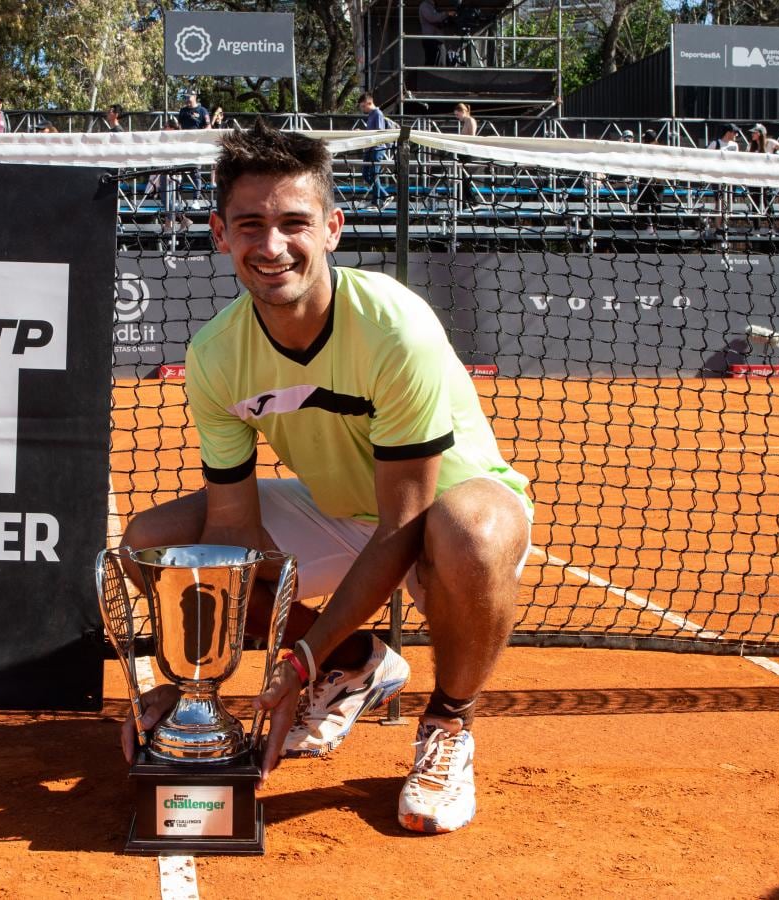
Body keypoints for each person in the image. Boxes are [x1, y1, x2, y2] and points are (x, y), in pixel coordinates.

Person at [120, 121, 532, 835]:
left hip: (443, 510)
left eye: (294, 223)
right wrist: (201, 689)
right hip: (343, 510)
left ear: (334, 228)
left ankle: (449, 724)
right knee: (154, 545)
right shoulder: (217, 355)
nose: (272, 245)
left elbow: (404, 523)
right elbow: (231, 532)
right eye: (250, 224)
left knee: (468, 533)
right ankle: (357, 661)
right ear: (221, 233)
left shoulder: (393, 327)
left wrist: (296, 660)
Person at [357, 92, 392, 205]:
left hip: (377, 148)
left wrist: (363, 133)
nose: (362, 109)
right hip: (370, 148)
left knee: (373, 174)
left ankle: (375, 202)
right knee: (366, 174)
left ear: (369, 103)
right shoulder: (372, 115)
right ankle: (385, 195)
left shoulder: (377, 114)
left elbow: (379, 131)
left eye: (363, 106)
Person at [705, 125, 740, 236]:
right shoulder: (716, 143)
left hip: (730, 177)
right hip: (718, 177)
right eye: (735, 132)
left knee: (728, 201)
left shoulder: (735, 145)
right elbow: (704, 156)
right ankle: (718, 226)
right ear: (728, 132)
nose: (736, 135)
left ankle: (724, 224)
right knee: (719, 201)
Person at [417, 0, 454, 68]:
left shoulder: (434, 7)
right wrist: (447, 14)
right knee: (431, 63)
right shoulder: (424, 5)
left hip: (437, 39)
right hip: (431, 39)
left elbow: (437, 20)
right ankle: (428, 78)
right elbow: (432, 18)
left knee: (441, 63)